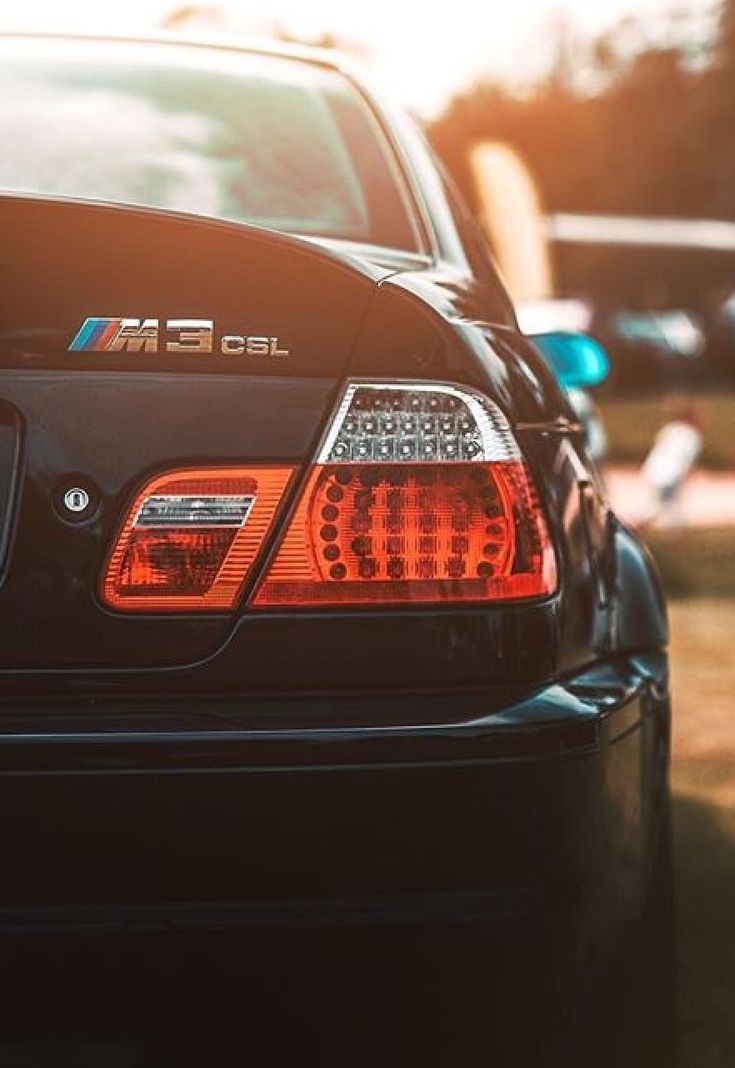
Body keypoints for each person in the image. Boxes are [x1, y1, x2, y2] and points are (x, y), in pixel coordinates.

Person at [639, 396, 703, 529]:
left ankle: (646, 525)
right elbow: (688, 461)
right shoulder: (692, 436)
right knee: (668, 505)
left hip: (654, 469)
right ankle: (674, 533)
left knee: (661, 503)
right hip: (671, 473)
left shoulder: (670, 429)